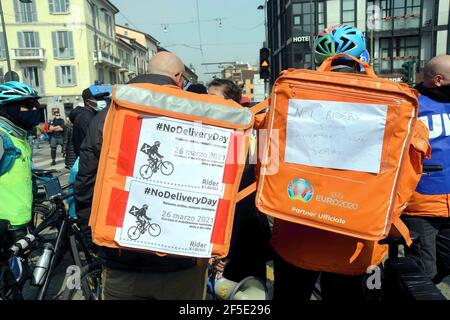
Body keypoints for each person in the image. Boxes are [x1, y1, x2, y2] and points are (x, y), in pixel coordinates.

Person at [74, 51, 208, 300]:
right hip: (180, 259)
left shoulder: (107, 115)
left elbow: (85, 181)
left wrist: (92, 236)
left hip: (120, 256)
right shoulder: (195, 114)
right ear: (179, 77)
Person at [270, 25, 385, 301]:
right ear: (365, 58)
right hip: (356, 242)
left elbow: (265, 155)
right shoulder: (388, 101)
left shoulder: (293, 96)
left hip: (297, 232)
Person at [207, 78, 272, 284]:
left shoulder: (254, 134)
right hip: (222, 235)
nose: (207, 104)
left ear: (232, 104)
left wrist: (226, 248)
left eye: (213, 99)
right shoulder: (207, 132)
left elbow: (253, 193)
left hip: (246, 234)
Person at [402, 55, 450, 284]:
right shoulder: (409, 104)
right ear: (439, 80)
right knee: (423, 272)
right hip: (421, 205)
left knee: (446, 264)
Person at [0, 81, 42, 237]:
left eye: (35, 104)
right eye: (28, 104)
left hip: (21, 221)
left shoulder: (19, 137)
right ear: (8, 108)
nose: (34, 109)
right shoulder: (2, 137)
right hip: (5, 226)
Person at [72, 86, 111, 157]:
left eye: (103, 98)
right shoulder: (86, 117)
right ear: (87, 101)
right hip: (89, 160)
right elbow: (94, 143)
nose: (102, 101)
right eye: (98, 99)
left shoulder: (91, 113)